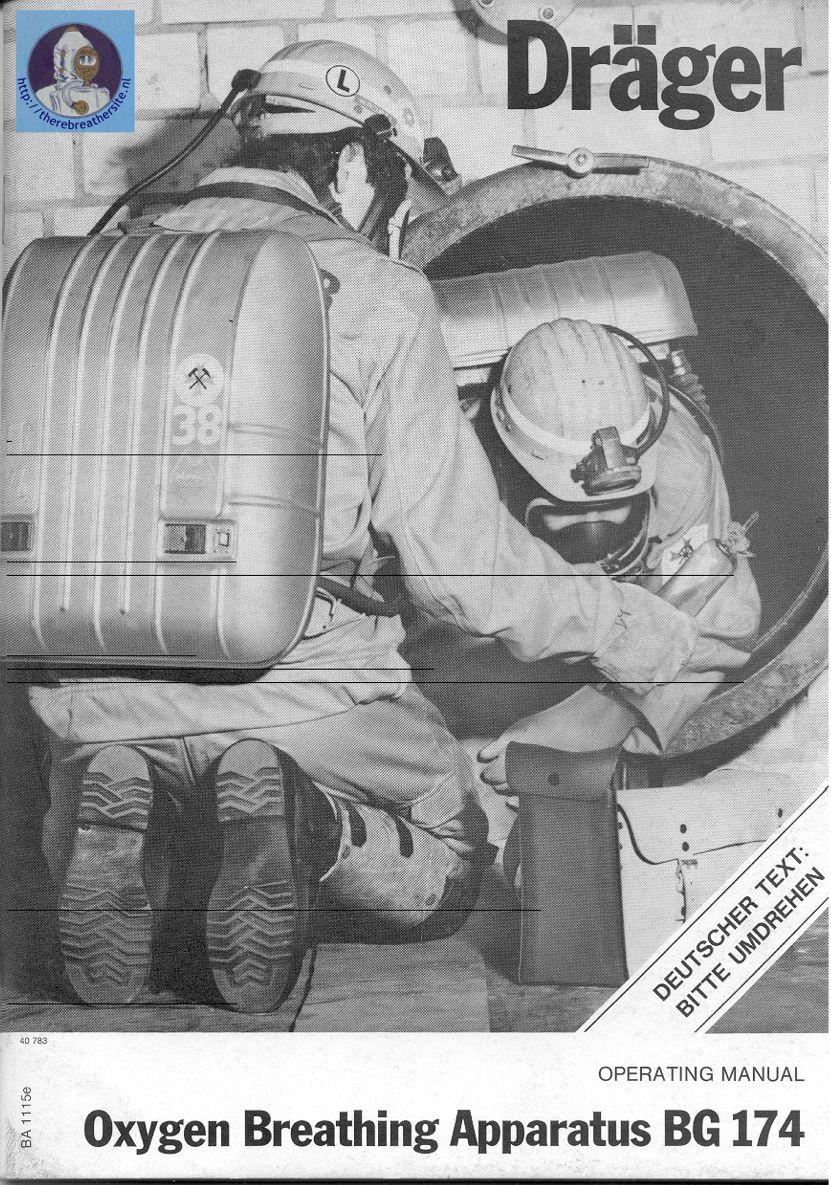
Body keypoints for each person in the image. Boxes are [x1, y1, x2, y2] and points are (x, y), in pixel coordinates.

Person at [26, 41, 747, 1014]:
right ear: (357, 163)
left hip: (84, 703)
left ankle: (126, 809)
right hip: (301, 695)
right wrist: (641, 631)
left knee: (153, 828)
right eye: (394, 196)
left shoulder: (73, 278)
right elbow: (464, 572)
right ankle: (308, 820)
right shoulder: (373, 292)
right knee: (457, 858)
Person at [406, 317, 761, 792]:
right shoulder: (457, 466)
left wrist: (608, 714)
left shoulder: (679, 461)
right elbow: (444, 609)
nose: (596, 523)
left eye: (616, 504)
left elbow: (715, 615)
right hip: (493, 646)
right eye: (567, 508)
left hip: (623, 641)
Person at [36, 27, 111, 117]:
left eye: (90, 59)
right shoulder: (44, 96)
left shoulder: (101, 96)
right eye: (81, 59)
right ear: (61, 60)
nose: (85, 66)